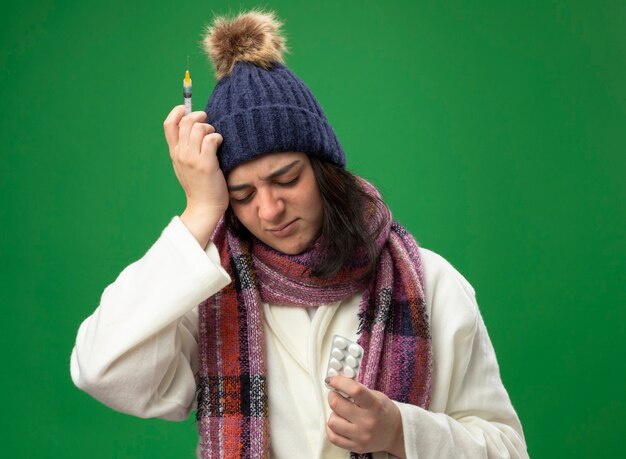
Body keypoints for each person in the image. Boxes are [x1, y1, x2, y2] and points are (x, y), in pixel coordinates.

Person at [70, 10, 528, 459]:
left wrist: (401, 431)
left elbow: (508, 450)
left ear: (325, 171)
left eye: (287, 179)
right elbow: (101, 369)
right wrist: (200, 210)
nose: (269, 210)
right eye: (242, 194)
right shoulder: (209, 293)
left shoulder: (431, 283)